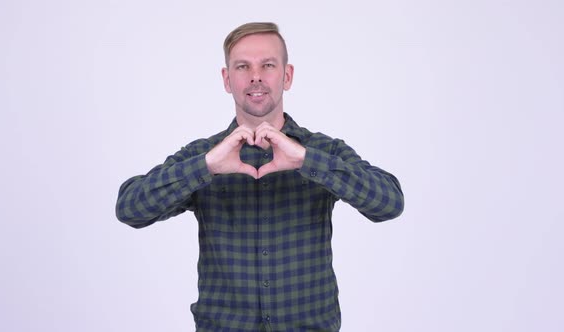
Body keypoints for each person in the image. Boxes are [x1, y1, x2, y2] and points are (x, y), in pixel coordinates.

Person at [116, 22, 404, 332]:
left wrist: (307, 160)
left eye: (267, 65)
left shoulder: (322, 150)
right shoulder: (203, 154)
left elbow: (389, 203)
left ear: (287, 75)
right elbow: (130, 209)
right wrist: (207, 166)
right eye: (243, 66)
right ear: (227, 79)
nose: (255, 76)